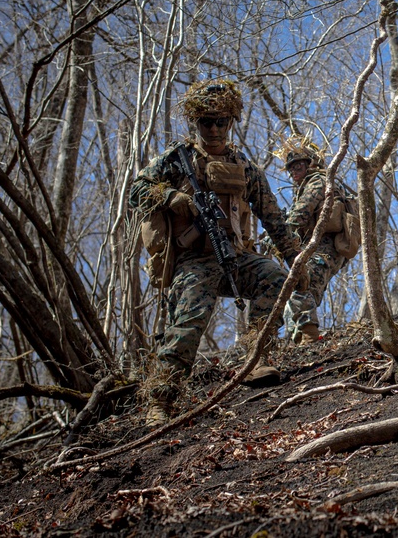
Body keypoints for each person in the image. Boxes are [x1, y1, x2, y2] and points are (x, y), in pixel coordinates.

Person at [129, 78, 301, 425]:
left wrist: (297, 260)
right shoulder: (179, 159)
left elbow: (272, 217)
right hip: (193, 261)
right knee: (189, 321)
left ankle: (256, 358)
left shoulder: (245, 167)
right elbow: (137, 190)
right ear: (195, 122)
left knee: (274, 277)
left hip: (234, 257)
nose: (213, 128)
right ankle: (161, 399)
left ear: (231, 121)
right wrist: (170, 197)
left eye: (221, 121)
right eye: (206, 121)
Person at [278, 135, 351, 345]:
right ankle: (298, 341)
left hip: (324, 250)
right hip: (320, 251)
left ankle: (309, 338)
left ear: (310, 164)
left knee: (300, 285)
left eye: (298, 166)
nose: (293, 172)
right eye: (290, 169)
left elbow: (300, 214)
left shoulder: (317, 181)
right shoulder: (308, 185)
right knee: (299, 291)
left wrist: (279, 234)